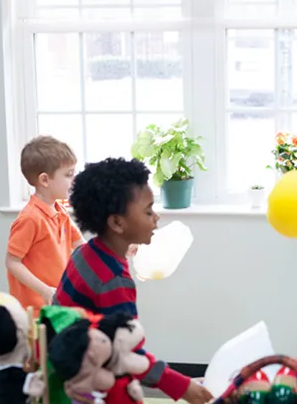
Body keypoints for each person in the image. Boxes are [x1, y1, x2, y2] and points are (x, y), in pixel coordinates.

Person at [52, 157, 213, 404]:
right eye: (148, 211)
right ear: (117, 222)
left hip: (65, 370)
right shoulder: (113, 281)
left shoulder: (84, 254)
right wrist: (184, 387)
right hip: (90, 384)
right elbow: (128, 353)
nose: (156, 218)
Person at [5, 135, 84, 314]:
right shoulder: (30, 218)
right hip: (34, 311)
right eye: (69, 175)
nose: (74, 180)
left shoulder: (59, 211)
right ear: (45, 180)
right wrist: (44, 290)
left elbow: (82, 247)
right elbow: (12, 262)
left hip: (58, 304)